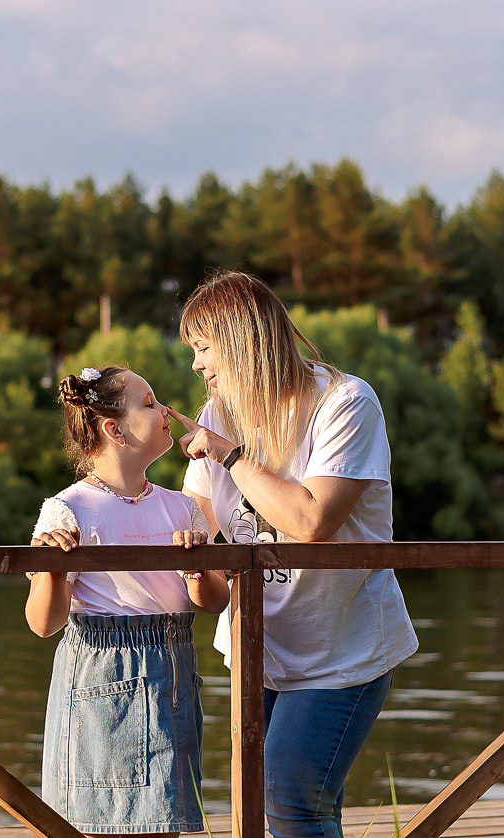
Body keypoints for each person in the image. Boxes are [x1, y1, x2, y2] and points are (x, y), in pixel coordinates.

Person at [166, 271, 418, 838]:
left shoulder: (345, 403)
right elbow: (195, 523)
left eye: (204, 349)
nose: (196, 365)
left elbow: (311, 520)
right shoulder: (217, 414)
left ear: (241, 343)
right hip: (256, 649)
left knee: (290, 804)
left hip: (340, 652)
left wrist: (233, 458)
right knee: (270, 808)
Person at [26, 364, 231, 838]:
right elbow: (43, 623)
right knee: (98, 826)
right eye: (150, 403)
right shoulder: (68, 508)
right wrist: (54, 570)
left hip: (171, 681)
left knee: (165, 825)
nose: (166, 411)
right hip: (100, 684)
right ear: (114, 429)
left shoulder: (181, 506)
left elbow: (215, 600)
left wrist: (197, 570)